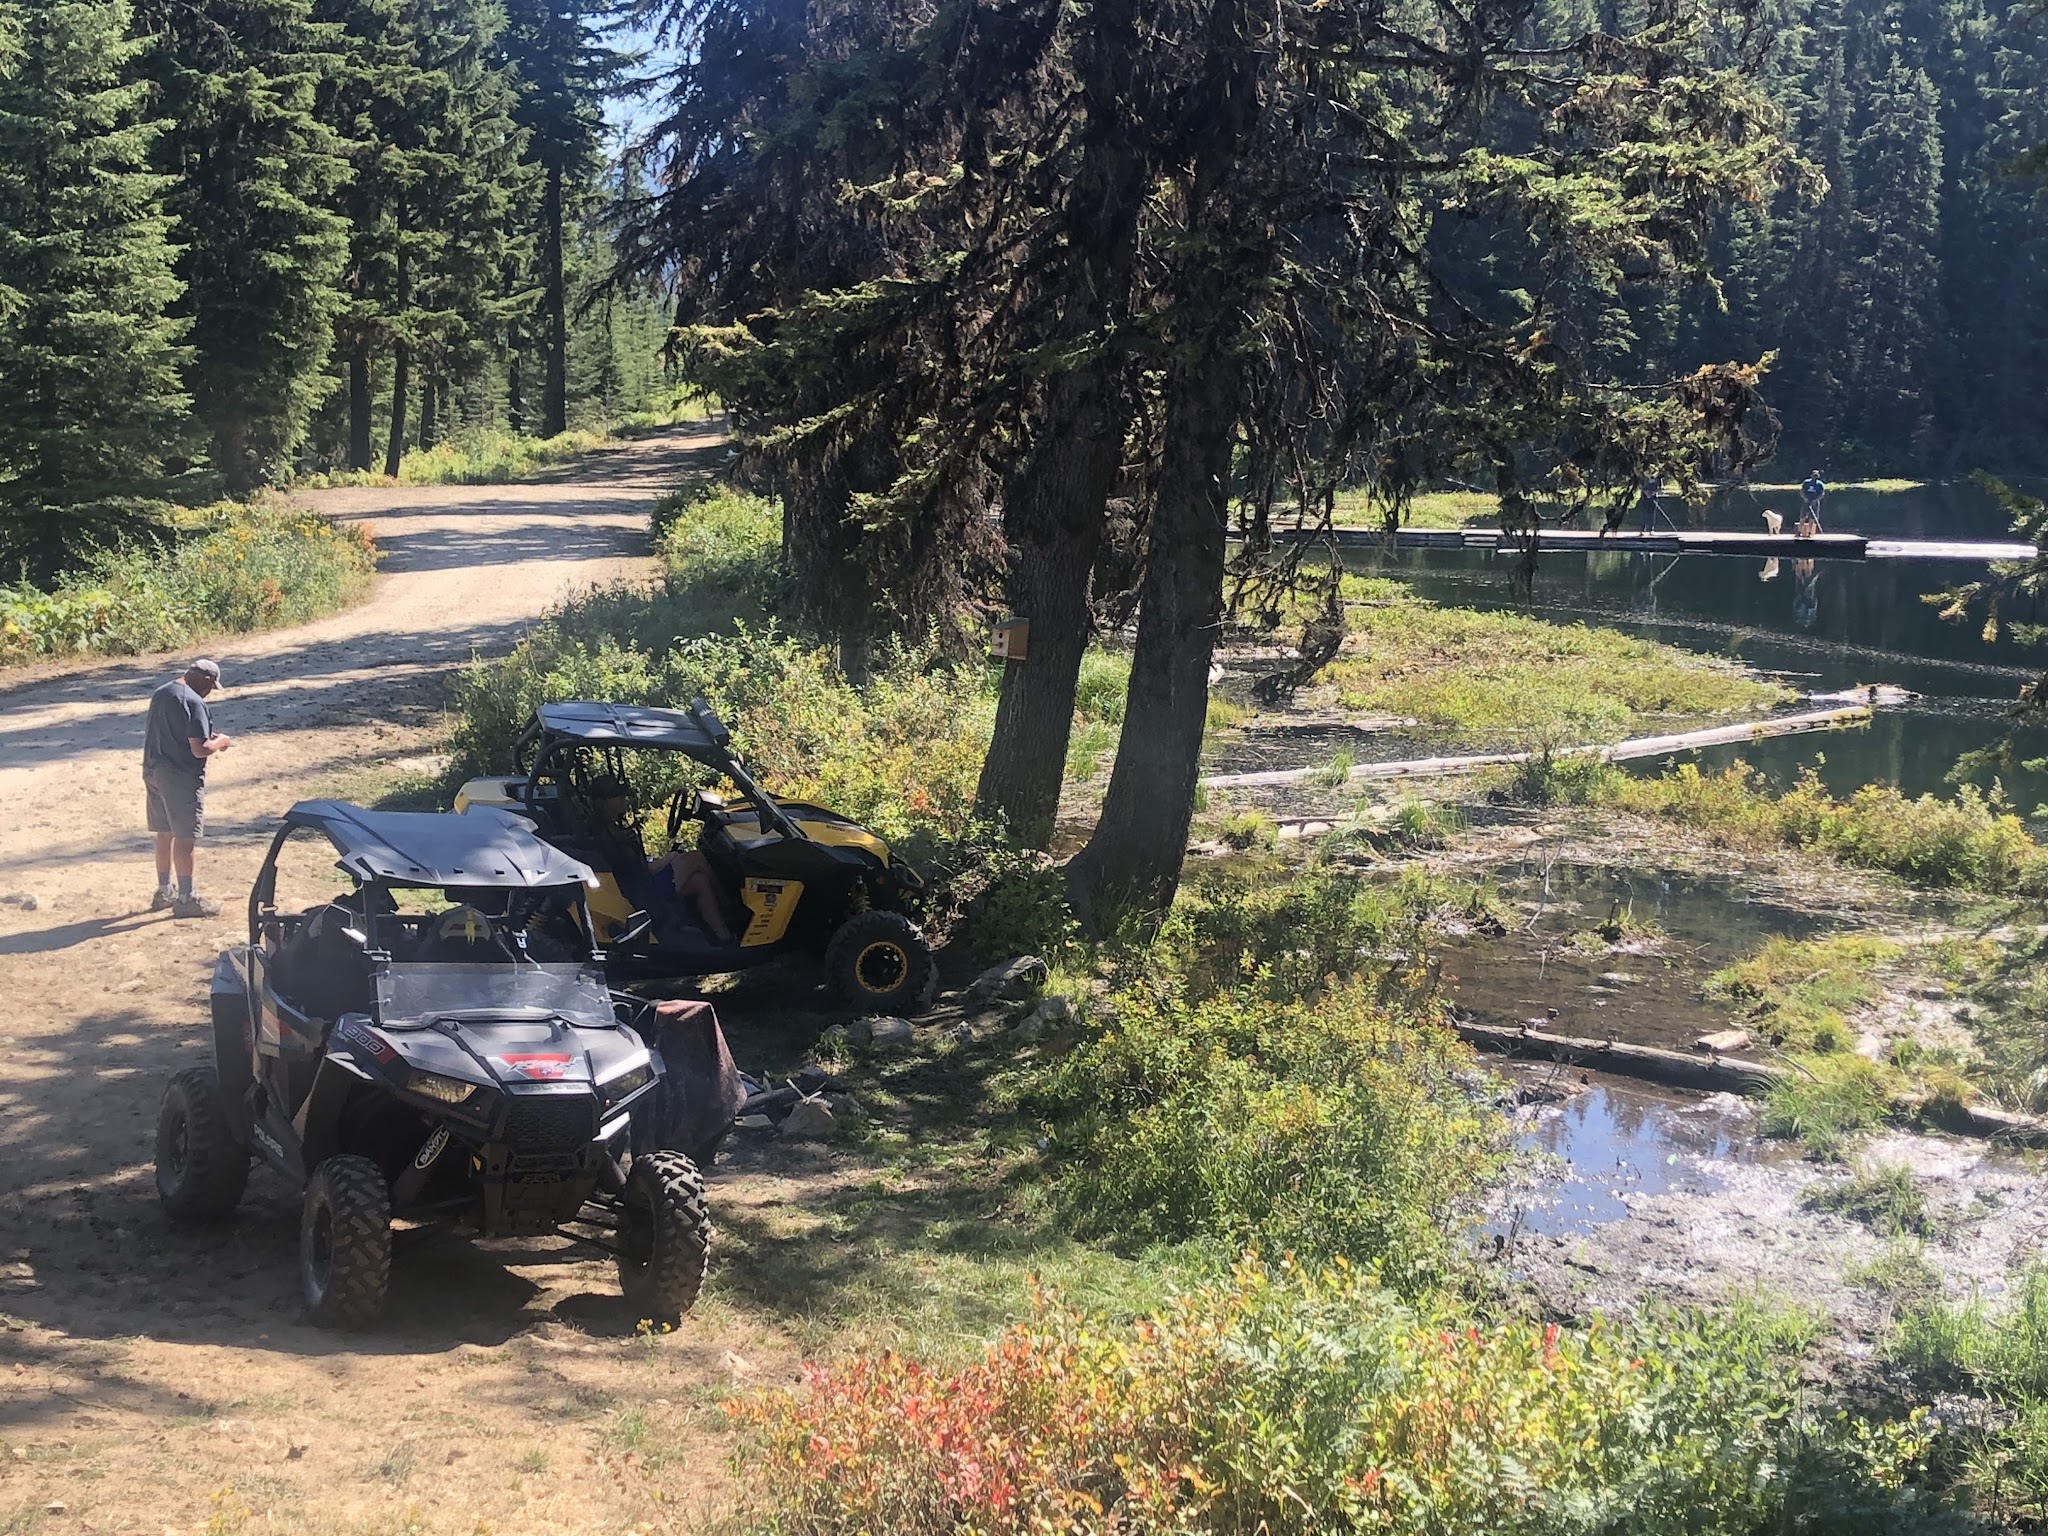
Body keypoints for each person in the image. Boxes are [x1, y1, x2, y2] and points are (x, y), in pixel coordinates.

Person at [589, 780, 736, 945]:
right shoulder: (608, 837)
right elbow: (641, 871)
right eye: (617, 796)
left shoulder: (613, 830)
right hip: (645, 892)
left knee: (699, 881)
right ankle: (730, 906)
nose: (624, 799)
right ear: (603, 803)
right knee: (697, 858)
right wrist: (669, 858)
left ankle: (724, 938)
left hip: (643, 883)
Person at [143, 659, 233, 918]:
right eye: (211, 687)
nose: (209, 693)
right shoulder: (193, 701)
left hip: (153, 770)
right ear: (204, 681)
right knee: (185, 838)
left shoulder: (162, 692)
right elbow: (199, 749)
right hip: (180, 777)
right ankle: (187, 899)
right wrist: (221, 743)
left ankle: (164, 891)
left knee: (164, 832)